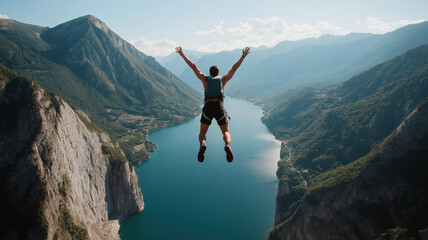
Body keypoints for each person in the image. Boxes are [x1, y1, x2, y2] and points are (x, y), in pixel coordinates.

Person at [175, 46, 251, 163]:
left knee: (202, 132)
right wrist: (243, 56)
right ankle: (227, 145)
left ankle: (203, 144)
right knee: (226, 131)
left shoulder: (204, 79)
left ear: (210, 73)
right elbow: (233, 69)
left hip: (207, 107)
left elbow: (193, 66)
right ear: (218, 73)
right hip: (219, 107)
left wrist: (182, 54)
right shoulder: (223, 79)